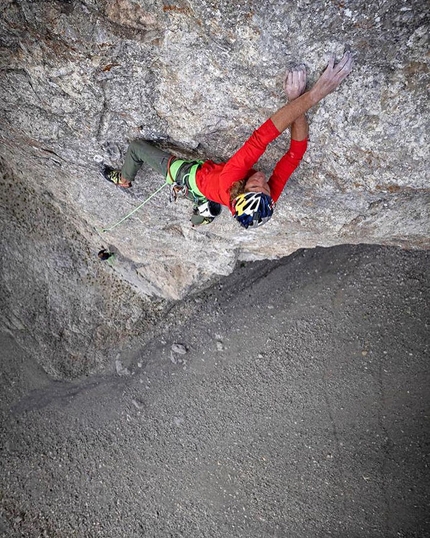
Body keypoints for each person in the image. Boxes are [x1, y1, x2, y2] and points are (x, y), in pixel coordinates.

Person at [103, 52, 353, 228]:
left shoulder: (230, 179)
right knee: (205, 200)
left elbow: (261, 138)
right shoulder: (262, 202)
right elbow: (295, 153)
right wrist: (296, 104)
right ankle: (204, 211)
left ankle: (124, 179)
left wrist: (313, 95)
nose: (263, 180)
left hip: (191, 176)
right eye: (265, 189)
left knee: (137, 148)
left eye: (255, 186)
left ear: (241, 191)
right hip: (212, 189)